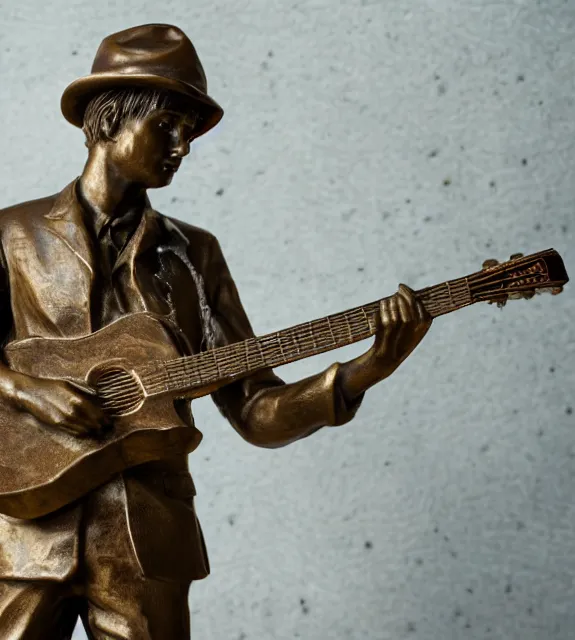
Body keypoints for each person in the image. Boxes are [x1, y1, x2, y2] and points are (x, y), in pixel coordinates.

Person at [0, 23, 432, 639]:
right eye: (167, 126)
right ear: (110, 119)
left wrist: (365, 370)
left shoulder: (194, 256)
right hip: (26, 534)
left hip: (148, 541)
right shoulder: (14, 235)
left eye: (189, 132)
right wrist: (28, 392)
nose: (183, 146)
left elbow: (255, 409)